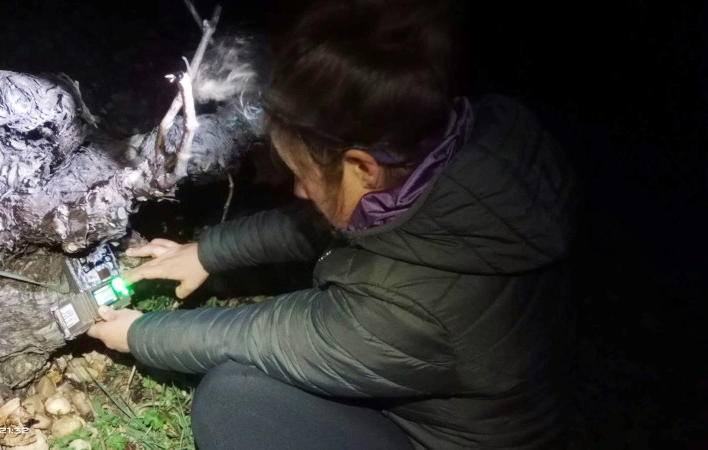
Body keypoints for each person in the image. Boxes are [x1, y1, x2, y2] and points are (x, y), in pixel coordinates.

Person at [87, 1, 577, 448]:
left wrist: (138, 334)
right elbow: (323, 222)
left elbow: (266, 336)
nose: (299, 191)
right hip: (464, 391)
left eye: (303, 174)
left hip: (453, 440)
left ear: (363, 168)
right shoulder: (450, 154)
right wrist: (205, 252)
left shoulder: (418, 307)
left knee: (235, 403)